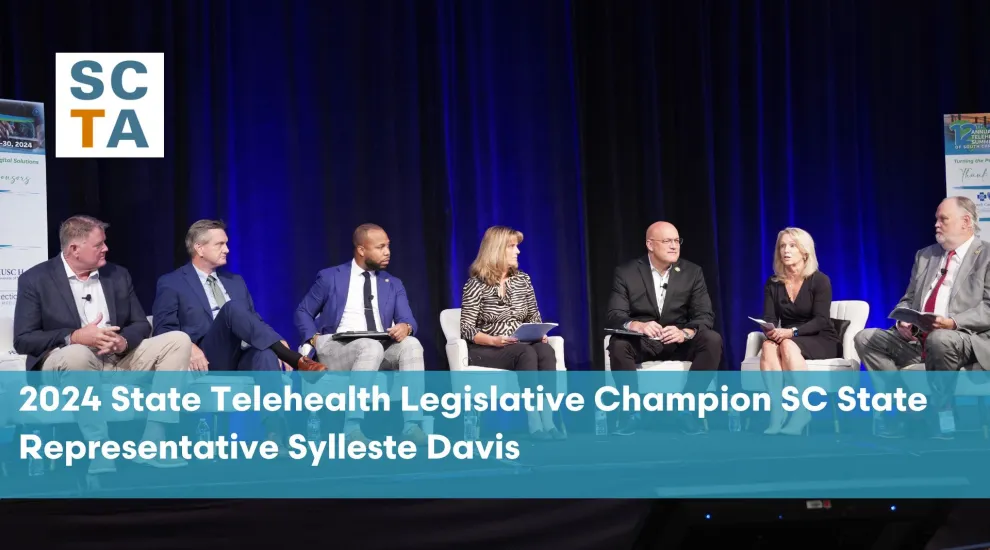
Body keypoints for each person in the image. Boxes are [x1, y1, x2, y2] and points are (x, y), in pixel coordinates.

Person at [13, 215, 193, 474]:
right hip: (65, 364)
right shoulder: (36, 279)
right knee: (76, 354)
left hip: (117, 360)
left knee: (178, 340)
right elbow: (23, 340)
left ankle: (154, 439)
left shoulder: (117, 275)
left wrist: (122, 342)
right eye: (99, 245)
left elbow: (141, 324)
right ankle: (100, 450)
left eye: (104, 243)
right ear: (74, 249)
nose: (106, 248)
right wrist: (74, 336)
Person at [152, 220, 327, 448]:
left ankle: (276, 433)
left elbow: (254, 320)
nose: (227, 249)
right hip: (206, 355)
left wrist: (276, 339)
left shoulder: (235, 281)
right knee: (232, 308)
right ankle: (293, 358)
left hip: (242, 353)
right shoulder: (172, 282)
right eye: (220, 244)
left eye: (226, 243)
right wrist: (190, 348)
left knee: (265, 354)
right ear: (199, 248)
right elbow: (163, 328)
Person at [854, 197, 990, 439]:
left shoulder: (986, 256)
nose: (936, 224)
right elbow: (909, 298)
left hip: (964, 340)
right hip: (919, 339)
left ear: (966, 222)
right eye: (936, 219)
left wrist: (953, 322)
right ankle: (907, 410)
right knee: (865, 338)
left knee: (940, 339)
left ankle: (942, 414)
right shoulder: (926, 255)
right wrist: (903, 320)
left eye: (943, 219)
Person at [295, 223, 427, 446]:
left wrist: (405, 327)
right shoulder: (331, 277)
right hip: (337, 345)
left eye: (388, 246)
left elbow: (409, 319)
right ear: (361, 250)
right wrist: (314, 339)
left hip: (378, 345)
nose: (387, 252)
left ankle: (411, 425)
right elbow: (303, 312)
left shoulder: (393, 284)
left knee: (412, 344)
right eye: (380, 247)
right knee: (369, 346)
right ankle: (351, 427)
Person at [606, 221, 723, 436]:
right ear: (650, 245)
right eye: (667, 241)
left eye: (677, 241)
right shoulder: (627, 272)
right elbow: (615, 314)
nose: (674, 246)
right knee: (618, 344)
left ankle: (687, 409)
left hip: (679, 340)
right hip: (644, 341)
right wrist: (638, 325)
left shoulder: (692, 272)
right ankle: (632, 413)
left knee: (712, 340)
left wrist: (685, 332)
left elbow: (705, 315)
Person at [459, 225, 563, 441]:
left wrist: (538, 331)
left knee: (545, 351)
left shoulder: (523, 280)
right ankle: (534, 422)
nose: (518, 251)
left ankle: (549, 420)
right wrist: (494, 340)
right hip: (486, 347)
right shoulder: (475, 284)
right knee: (525, 354)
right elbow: (467, 328)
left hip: (520, 343)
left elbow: (533, 315)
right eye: (512, 246)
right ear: (497, 249)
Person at [758, 227, 841, 435]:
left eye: (792, 246)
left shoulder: (820, 280)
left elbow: (821, 320)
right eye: (782, 246)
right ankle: (777, 412)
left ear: (804, 252)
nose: (785, 250)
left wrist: (791, 332)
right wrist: (769, 329)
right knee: (767, 346)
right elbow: (769, 317)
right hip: (788, 336)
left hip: (820, 338)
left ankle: (802, 410)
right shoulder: (773, 283)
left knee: (787, 343)